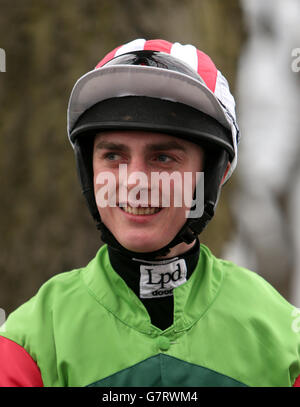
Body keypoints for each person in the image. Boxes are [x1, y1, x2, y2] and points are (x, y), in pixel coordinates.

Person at [0, 38, 299, 387]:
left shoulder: (285, 341)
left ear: (213, 176)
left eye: (163, 158)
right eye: (114, 156)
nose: (135, 182)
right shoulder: (28, 343)